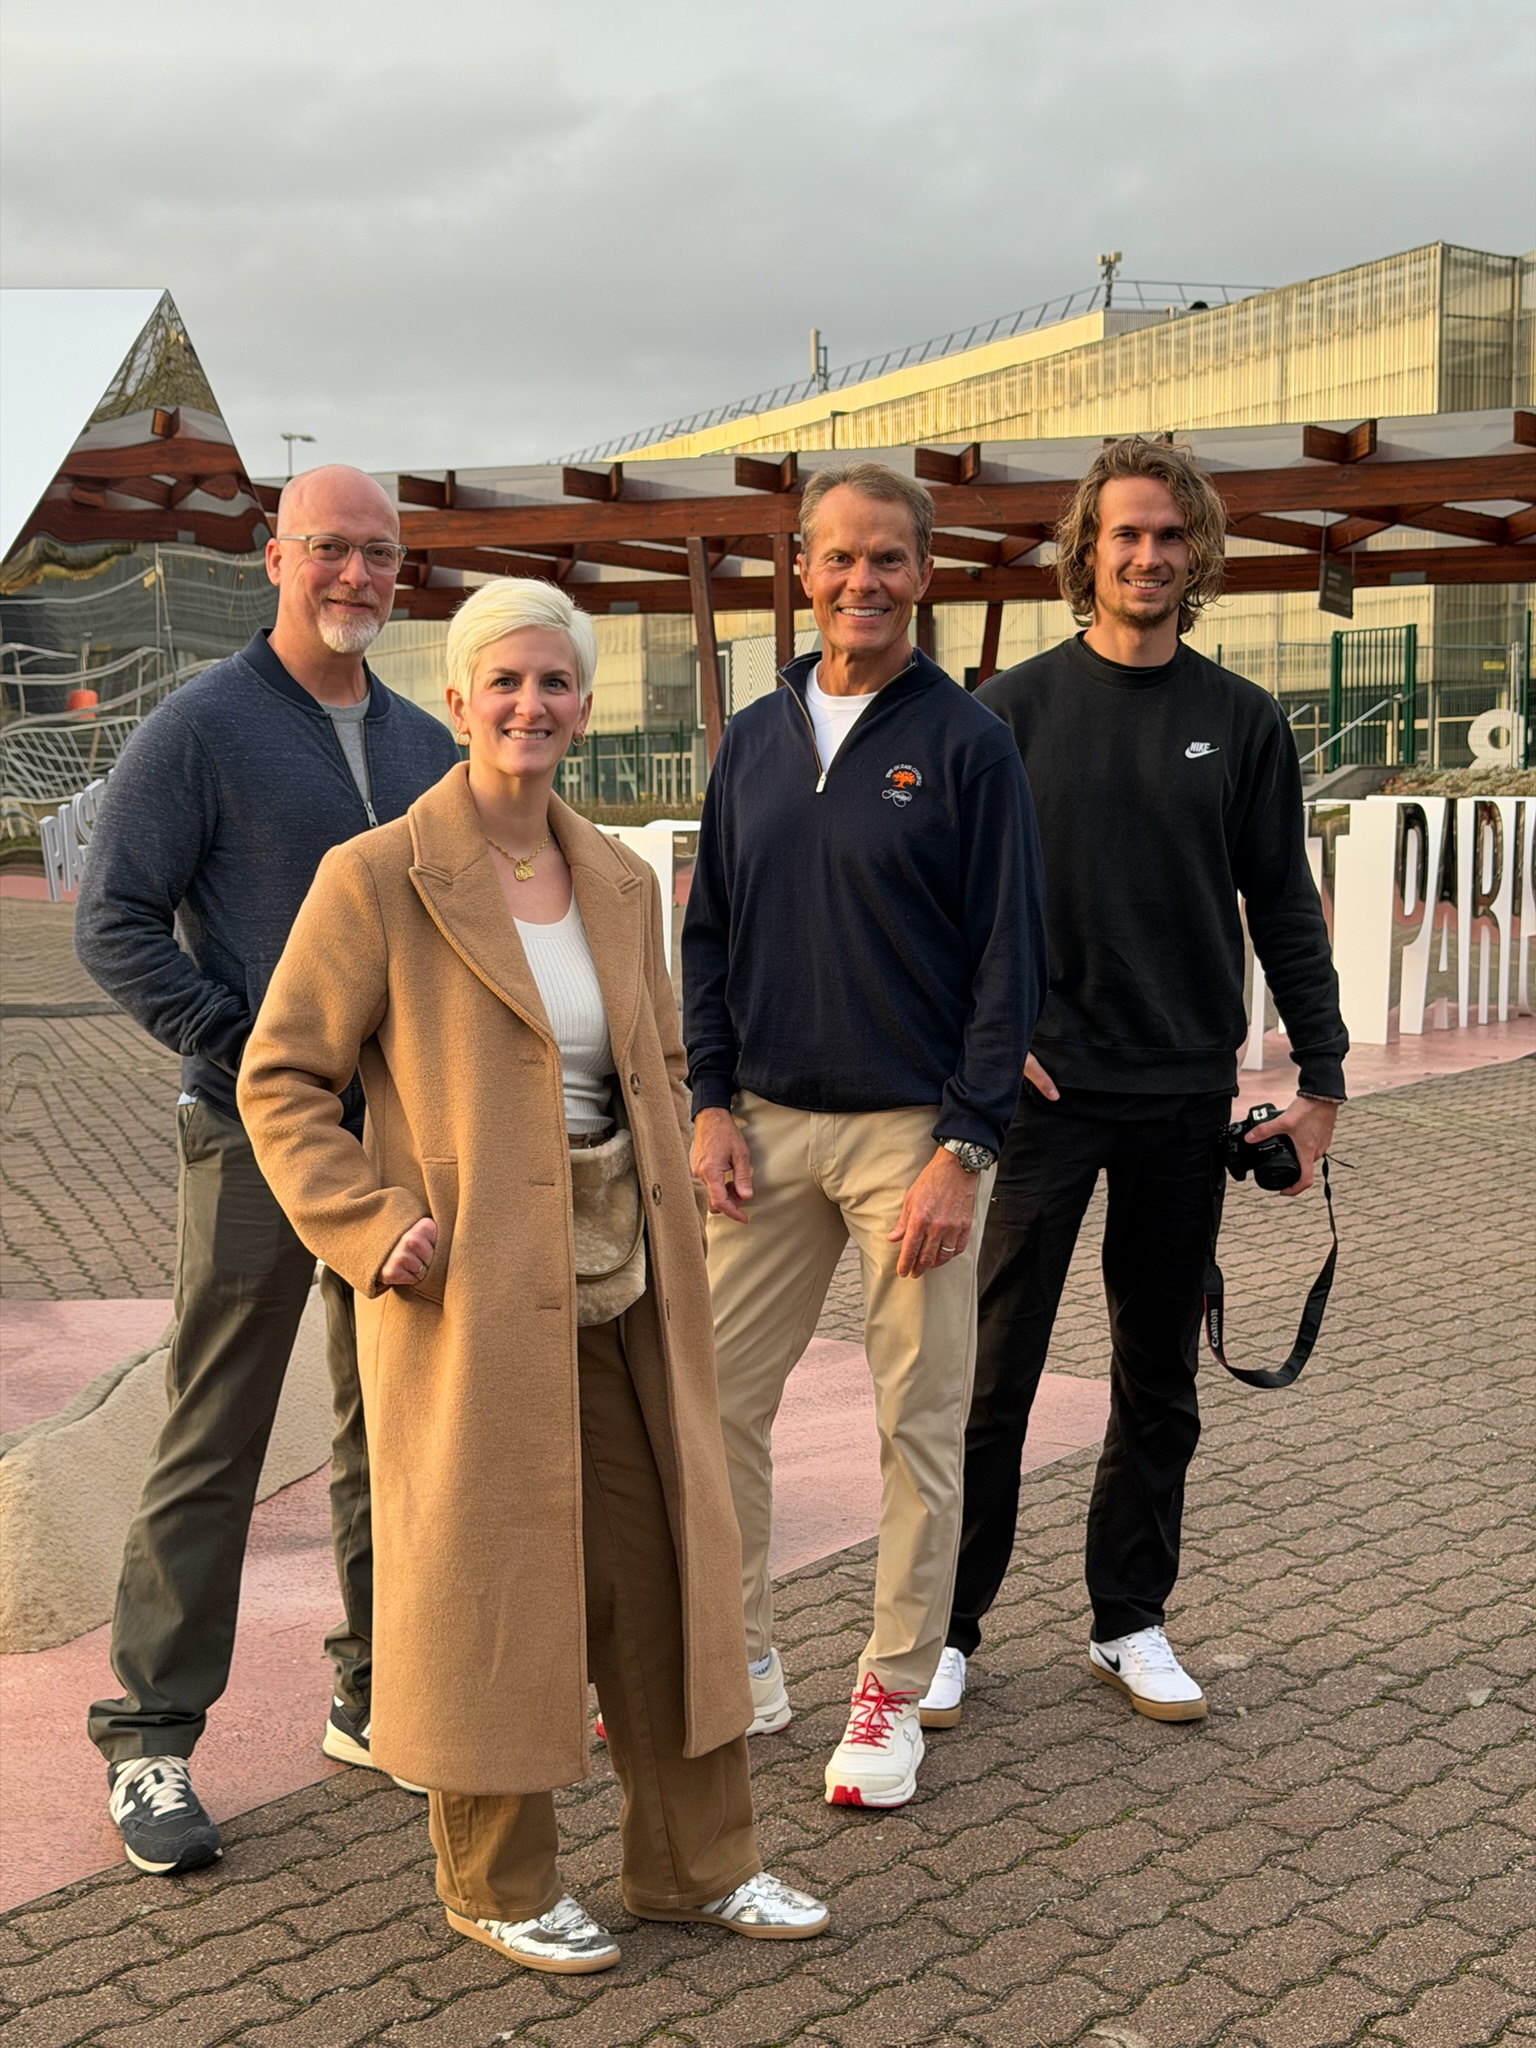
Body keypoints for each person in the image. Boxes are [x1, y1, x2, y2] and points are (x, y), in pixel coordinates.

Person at [237, 578, 827, 1974]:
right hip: (470, 1295)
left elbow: (661, 1058)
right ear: (455, 701)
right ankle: (496, 1881)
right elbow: (283, 1080)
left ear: (581, 702)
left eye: (556, 683)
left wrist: (690, 1147)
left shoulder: (619, 877)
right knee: (490, 1581)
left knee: (668, 1571)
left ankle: (696, 1867)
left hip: (628, 1278)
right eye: (504, 683)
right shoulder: (375, 876)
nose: (531, 706)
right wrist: (370, 1224)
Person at [925, 436, 1348, 1731]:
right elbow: (941, 903)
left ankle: (1130, 1620)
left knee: (1158, 1373)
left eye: (1171, 536)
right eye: (1126, 535)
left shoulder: (1243, 721)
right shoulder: (1010, 714)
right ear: (1087, 552)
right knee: (994, 1374)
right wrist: (979, 1044)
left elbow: (1282, 904)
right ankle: (944, 1633)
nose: (1149, 556)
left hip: (1180, 1099)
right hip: (1042, 1105)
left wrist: (1321, 1081)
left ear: (1198, 554)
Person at [75, 465, 460, 1875]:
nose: (355, 576)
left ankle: (375, 1696)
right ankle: (150, 1737)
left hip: (401, 1142)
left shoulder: (427, 742)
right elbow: (112, 925)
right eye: (329, 551)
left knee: (392, 1429)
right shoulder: (202, 729)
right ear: (274, 557)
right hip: (251, 1139)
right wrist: (247, 1048)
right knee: (218, 1429)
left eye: (378, 555)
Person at [684, 460, 1047, 1809]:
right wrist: (709, 1099)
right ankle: (740, 1663)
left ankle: (892, 1688)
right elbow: (710, 927)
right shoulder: (755, 736)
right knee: (712, 1403)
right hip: (765, 1131)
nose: (862, 582)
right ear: (802, 569)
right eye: (838, 558)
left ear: (924, 573)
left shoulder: (967, 744)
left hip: (912, 1138)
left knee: (919, 1423)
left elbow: (1013, 957)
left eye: (888, 558)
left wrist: (966, 1145)